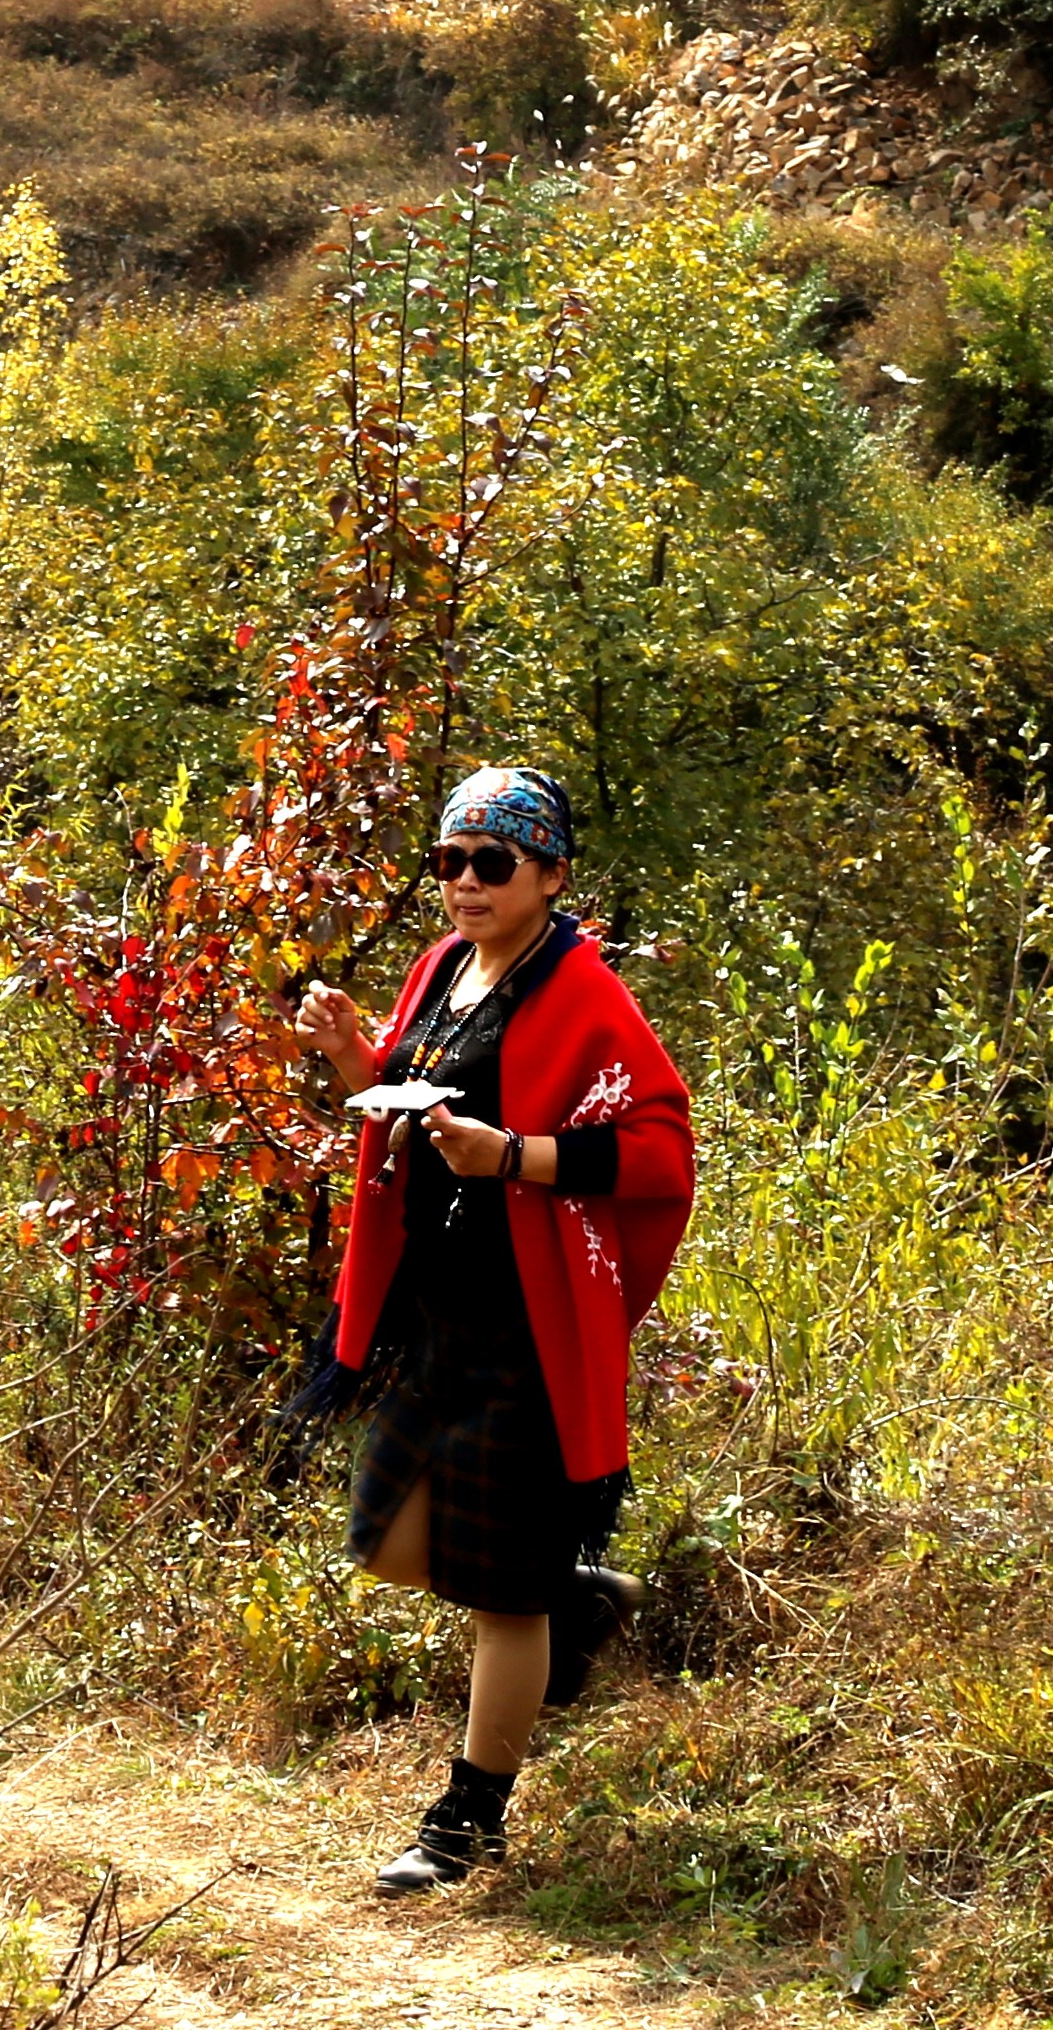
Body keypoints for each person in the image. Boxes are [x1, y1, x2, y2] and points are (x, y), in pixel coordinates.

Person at [292, 761, 695, 1895]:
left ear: (550, 874)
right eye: (450, 861)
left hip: (529, 1327)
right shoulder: (441, 968)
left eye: (492, 862)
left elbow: (661, 1150)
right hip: (434, 1315)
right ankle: (574, 1601)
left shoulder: (583, 993)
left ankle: (467, 1823)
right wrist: (353, 1057)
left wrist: (515, 1157)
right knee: (386, 1542)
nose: (466, 882)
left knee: (498, 1599)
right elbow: (411, 1093)